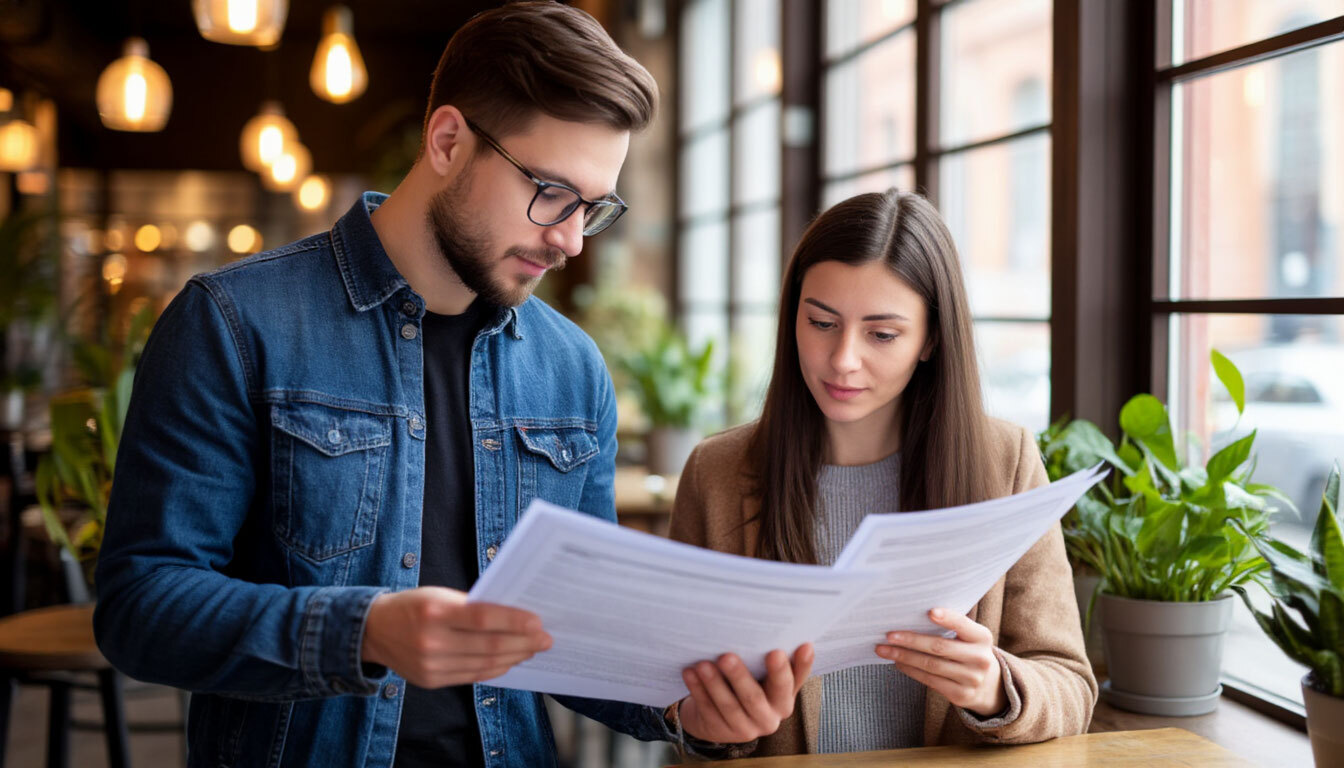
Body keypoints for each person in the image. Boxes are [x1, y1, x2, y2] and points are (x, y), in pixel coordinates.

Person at [93, 3, 805, 766]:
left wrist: (685, 707)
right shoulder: (233, 324)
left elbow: (575, 640)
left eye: (592, 208)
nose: (569, 238)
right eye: (551, 192)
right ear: (447, 141)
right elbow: (141, 606)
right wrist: (363, 632)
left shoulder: (572, 370)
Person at [662, 189, 1098, 757]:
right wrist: (706, 725)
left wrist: (995, 688)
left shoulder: (1004, 462)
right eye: (821, 322)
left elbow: (1070, 683)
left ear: (931, 339)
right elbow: (672, 693)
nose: (843, 359)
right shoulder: (718, 472)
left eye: (882, 334)